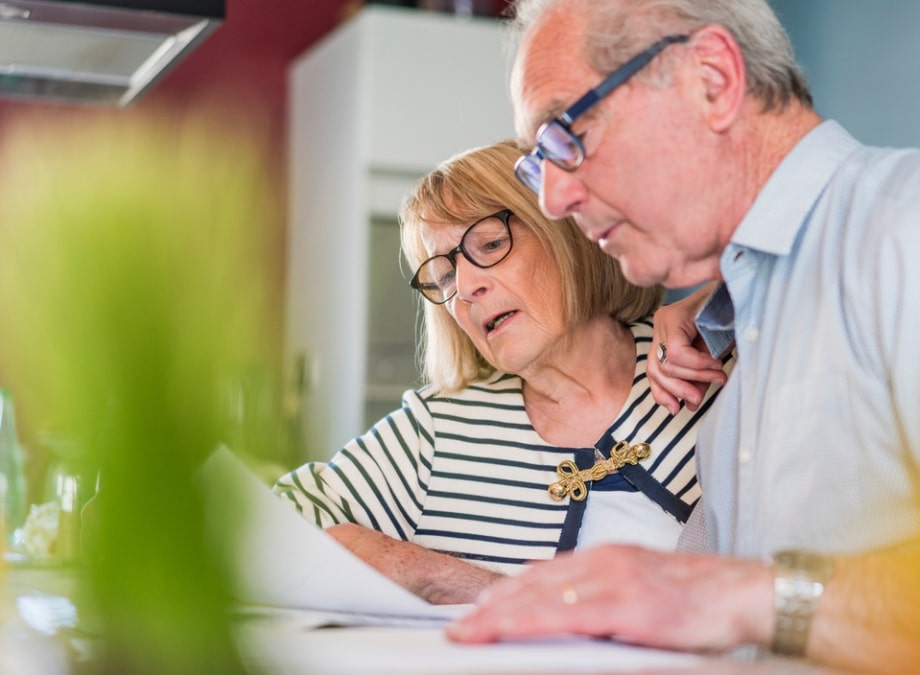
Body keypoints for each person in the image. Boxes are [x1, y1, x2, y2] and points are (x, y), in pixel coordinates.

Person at [445, 0, 920, 668]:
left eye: (566, 133)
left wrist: (755, 597)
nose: (552, 194)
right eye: (537, 160)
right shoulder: (748, 311)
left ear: (712, 78)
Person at [274, 140, 731, 605]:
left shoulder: (706, 364)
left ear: (568, 232)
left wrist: (727, 304)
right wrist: (423, 570)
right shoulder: (438, 430)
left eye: (490, 244)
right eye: (445, 276)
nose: (467, 288)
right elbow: (263, 531)